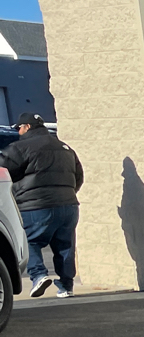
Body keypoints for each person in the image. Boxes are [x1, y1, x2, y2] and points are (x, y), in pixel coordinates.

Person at [0, 113, 84, 297]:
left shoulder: (20, 148)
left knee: (31, 240)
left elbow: (3, 169)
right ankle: (66, 286)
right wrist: (67, 194)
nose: (18, 132)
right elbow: (78, 176)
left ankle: (39, 275)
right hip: (68, 205)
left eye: (19, 128)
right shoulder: (65, 148)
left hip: (35, 206)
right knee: (65, 245)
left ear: (27, 127)